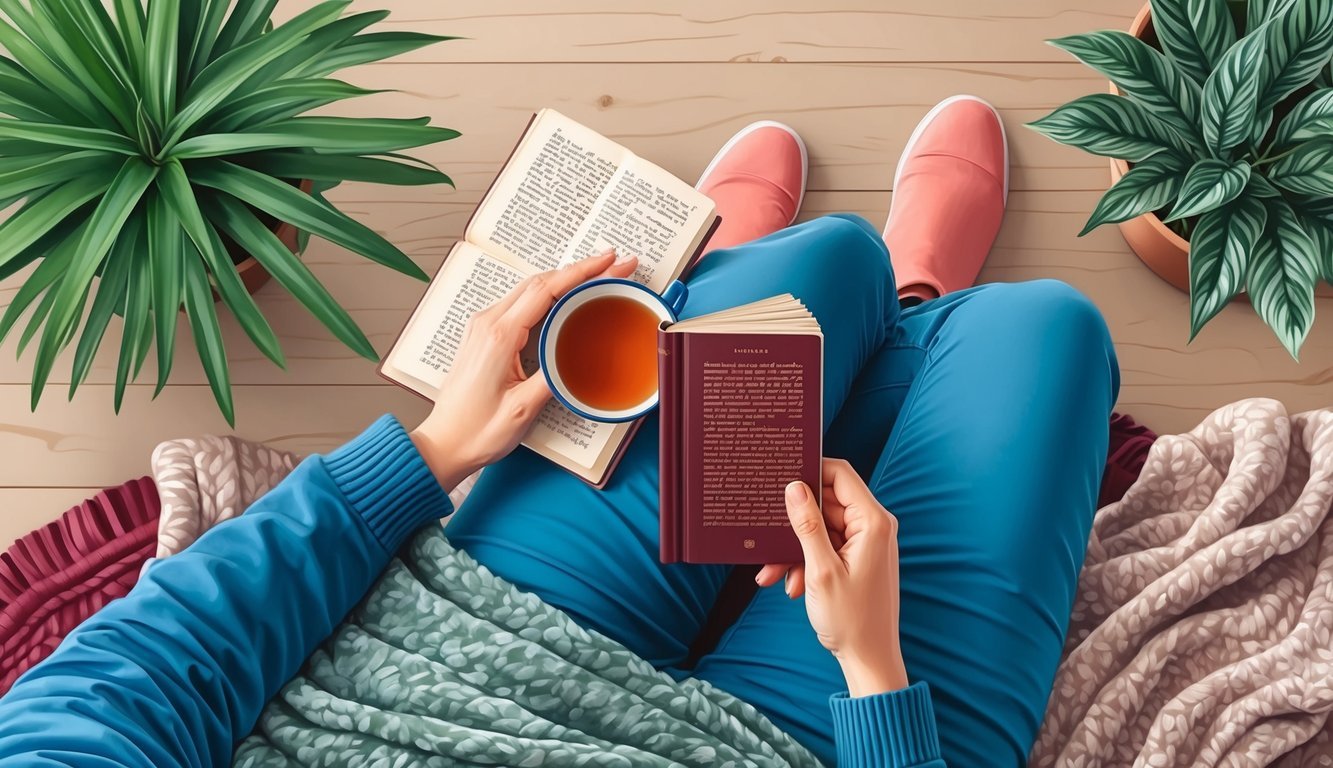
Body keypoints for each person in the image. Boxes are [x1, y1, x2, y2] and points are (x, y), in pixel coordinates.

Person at [0, 96, 1118, 767]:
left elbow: (158, 658)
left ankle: (830, 299)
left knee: (822, 266)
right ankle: (922, 316)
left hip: (465, 643)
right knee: (1050, 331)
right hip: (800, 744)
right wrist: (874, 676)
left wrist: (432, 451)